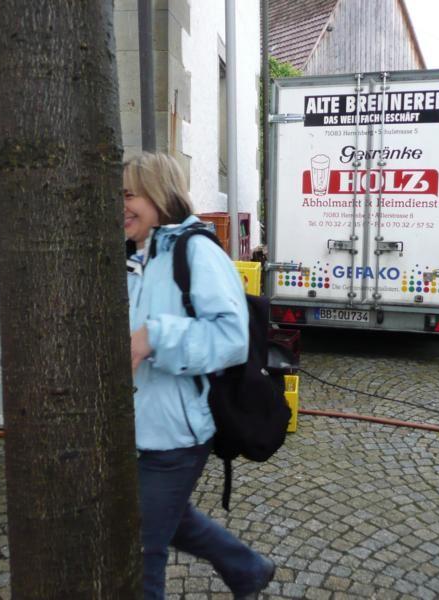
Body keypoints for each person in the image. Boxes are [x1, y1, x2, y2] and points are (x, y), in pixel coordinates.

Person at [124, 153, 275, 600]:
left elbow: (231, 339)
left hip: (177, 433)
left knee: (141, 548)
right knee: (169, 518)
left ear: (158, 194)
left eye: (129, 195)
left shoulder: (197, 252)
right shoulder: (138, 255)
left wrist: (156, 336)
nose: (120, 207)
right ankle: (248, 569)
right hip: (140, 425)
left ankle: (248, 569)